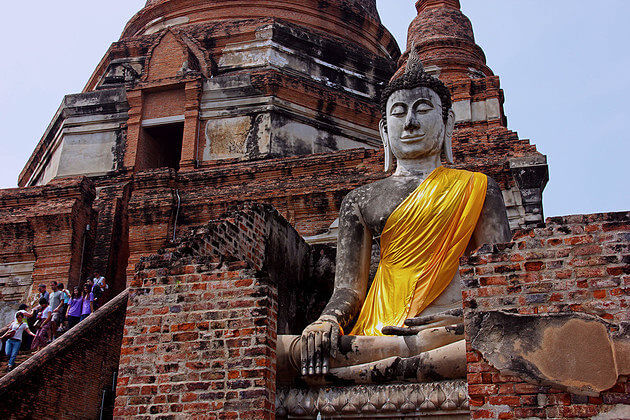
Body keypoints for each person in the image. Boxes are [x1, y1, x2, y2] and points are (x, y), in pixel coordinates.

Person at [288, 49, 512, 382]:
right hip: (376, 331)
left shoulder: (477, 188)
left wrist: (468, 314)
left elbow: (498, 282)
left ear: (448, 122)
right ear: (384, 129)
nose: (410, 122)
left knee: (500, 343)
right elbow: (349, 290)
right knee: (289, 354)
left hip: (450, 328)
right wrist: (326, 322)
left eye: (423, 109)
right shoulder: (360, 199)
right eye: (399, 112)